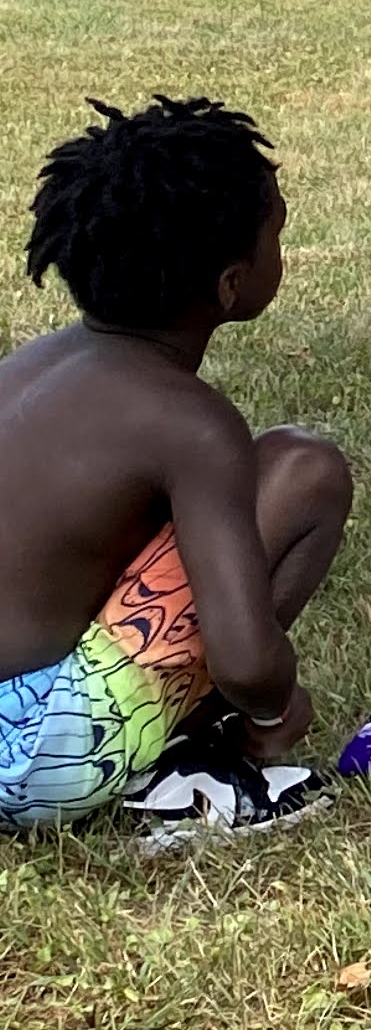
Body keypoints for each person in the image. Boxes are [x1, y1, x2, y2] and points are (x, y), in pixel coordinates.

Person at [2, 99, 352, 827]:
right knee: (304, 468)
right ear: (230, 283)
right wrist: (276, 705)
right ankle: (182, 760)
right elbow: (246, 659)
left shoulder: (29, 368)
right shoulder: (189, 424)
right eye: (275, 236)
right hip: (29, 759)